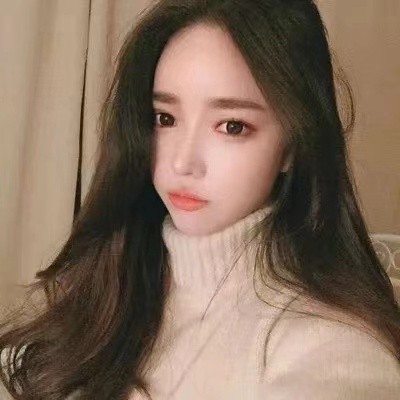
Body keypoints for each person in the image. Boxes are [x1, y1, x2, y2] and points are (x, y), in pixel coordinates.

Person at [1, 0, 400, 399]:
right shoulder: (106, 289)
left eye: (232, 126)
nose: (182, 162)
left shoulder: (335, 355)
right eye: (165, 118)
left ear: (293, 146)